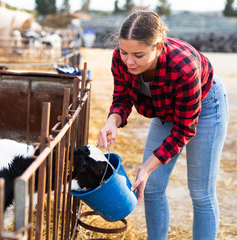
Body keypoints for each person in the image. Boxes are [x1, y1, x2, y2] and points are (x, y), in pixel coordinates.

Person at [97, 10, 228, 240]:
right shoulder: (120, 58)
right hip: (164, 109)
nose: (129, 61)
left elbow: (184, 130)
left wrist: (146, 166)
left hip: (206, 106)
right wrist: (112, 121)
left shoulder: (184, 67)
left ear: (158, 47)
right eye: (125, 52)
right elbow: (122, 97)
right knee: (152, 188)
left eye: (138, 54)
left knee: (200, 192)